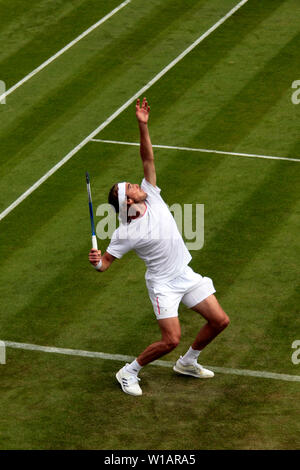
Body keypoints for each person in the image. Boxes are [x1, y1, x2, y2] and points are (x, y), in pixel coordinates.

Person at [89, 97, 230, 396]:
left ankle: (188, 363)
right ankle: (129, 371)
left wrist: (143, 126)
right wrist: (96, 261)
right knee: (170, 340)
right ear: (128, 201)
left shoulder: (152, 194)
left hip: (184, 273)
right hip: (162, 284)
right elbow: (105, 266)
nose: (138, 186)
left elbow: (148, 159)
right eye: (132, 188)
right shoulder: (124, 233)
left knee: (219, 321)